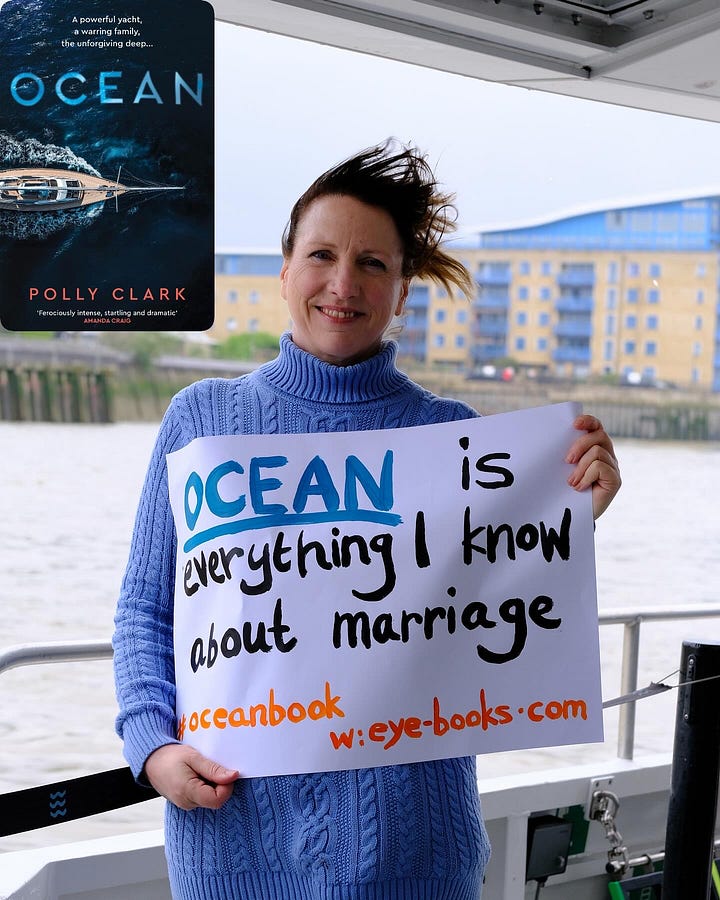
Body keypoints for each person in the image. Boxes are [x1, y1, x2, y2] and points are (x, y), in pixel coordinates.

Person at [113, 140, 621, 900]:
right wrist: (152, 746)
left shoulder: (454, 438)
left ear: (403, 291)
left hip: (418, 858)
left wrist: (573, 517)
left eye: (373, 264)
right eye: (321, 255)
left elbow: (491, 609)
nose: (343, 284)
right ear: (285, 269)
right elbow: (144, 612)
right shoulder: (201, 422)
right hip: (233, 850)